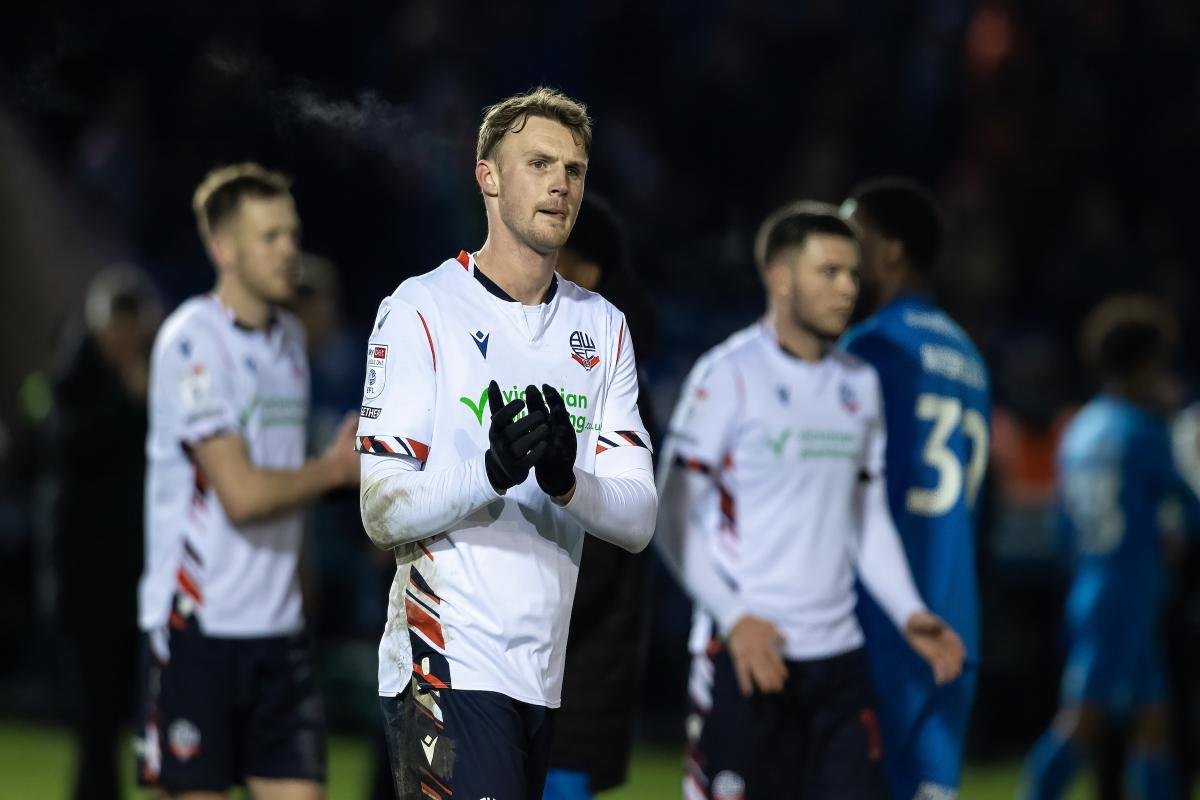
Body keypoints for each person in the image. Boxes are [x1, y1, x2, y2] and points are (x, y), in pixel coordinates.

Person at [357, 87, 657, 800]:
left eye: (576, 169)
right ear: (488, 176)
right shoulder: (420, 310)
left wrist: (565, 481)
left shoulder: (603, 326)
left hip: (540, 674)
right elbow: (380, 507)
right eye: (539, 163)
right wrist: (491, 470)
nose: (561, 183)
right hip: (444, 662)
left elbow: (640, 519)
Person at [656, 201, 965, 799]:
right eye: (829, 272)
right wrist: (734, 617)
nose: (848, 288)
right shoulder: (728, 374)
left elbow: (865, 517)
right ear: (780, 277)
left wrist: (909, 613)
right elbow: (673, 513)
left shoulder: (860, 383)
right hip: (746, 654)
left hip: (839, 660)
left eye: (853, 273)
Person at [136, 163, 360, 800]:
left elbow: (285, 475)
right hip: (196, 628)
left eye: (292, 233)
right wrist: (336, 470)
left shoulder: (289, 339)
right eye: (270, 236)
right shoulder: (191, 343)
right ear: (223, 248)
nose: (289, 248)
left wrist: (303, 574)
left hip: (278, 631)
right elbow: (241, 494)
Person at [838, 177, 991, 800]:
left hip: (882, 623)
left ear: (891, 252)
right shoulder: (969, 355)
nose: (841, 259)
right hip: (955, 618)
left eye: (854, 239)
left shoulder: (872, 347)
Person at [1020, 295, 1200, 800]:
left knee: (1153, 725)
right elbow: (1187, 508)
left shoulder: (1080, 428)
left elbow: (1062, 526)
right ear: (1146, 364)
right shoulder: (1145, 430)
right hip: (1129, 591)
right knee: (1083, 721)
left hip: (1092, 584)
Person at [543, 192, 659, 800]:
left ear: (584, 267)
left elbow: (614, 542)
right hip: (558, 657)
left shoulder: (614, 378)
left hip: (575, 664)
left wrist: (531, 606)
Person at [49, 266, 161, 800]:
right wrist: (128, 400)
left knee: (124, 710)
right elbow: (65, 452)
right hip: (85, 577)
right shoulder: (73, 380)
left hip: (138, 573)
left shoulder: (158, 380)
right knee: (94, 715)